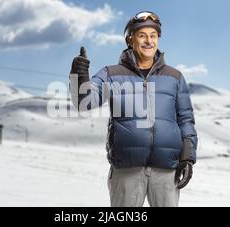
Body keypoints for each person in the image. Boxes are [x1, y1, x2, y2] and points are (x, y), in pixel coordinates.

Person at [69, 11, 198, 207]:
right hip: (127, 169)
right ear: (130, 40)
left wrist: (187, 157)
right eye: (142, 35)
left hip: (166, 170)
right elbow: (84, 102)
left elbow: (185, 119)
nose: (149, 41)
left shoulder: (175, 77)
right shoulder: (111, 74)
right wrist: (79, 76)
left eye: (153, 36)